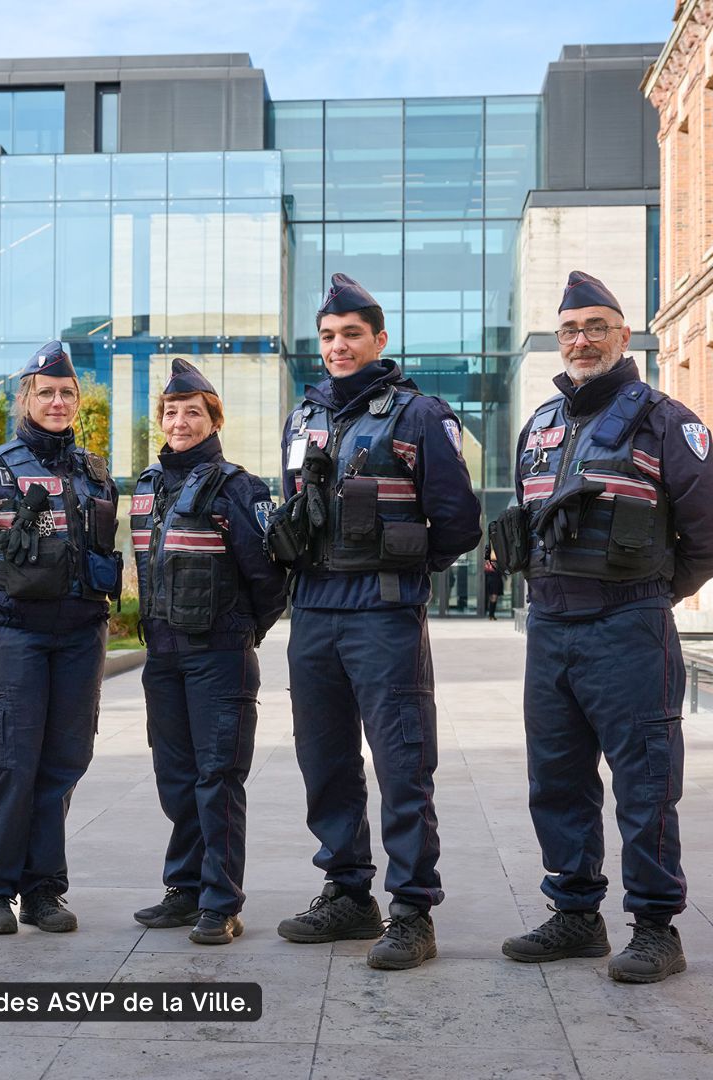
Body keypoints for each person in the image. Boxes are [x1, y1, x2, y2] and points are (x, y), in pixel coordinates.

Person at [490, 271, 713, 983]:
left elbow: (707, 534)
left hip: (628, 624)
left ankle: (656, 929)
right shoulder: (540, 425)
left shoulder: (668, 422)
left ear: (623, 335)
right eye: (569, 330)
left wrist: (652, 594)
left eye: (595, 327)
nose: (581, 340)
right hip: (549, 625)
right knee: (556, 779)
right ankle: (576, 916)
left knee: (645, 782)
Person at [266, 272, 483, 970]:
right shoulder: (302, 417)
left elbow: (459, 522)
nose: (338, 345)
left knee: (401, 762)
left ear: (379, 339)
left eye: (352, 334)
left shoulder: (420, 415)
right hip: (312, 611)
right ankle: (347, 893)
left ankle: (413, 910)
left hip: (382, 613)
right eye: (328, 336)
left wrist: (404, 568)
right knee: (324, 759)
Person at [0, 341, 122, 935]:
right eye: (46, 392)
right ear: (25, 398)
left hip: (81, 636)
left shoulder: (95, 472)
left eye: (67, 393)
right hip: (15, 635)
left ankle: (44, 891)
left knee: (65, 763)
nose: (57, 401)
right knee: (12, 763)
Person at [128, 359, 288, 945]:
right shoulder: (146, 487)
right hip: (162, 655)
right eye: (171, 412)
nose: (180, 421)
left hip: (218, 654)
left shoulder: (239, 488)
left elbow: (269, 580)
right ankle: (185, 888)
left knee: (217, 778)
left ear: (214, 420)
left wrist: (241, 632)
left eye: (192, 412)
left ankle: (221, 903)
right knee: (176, 778)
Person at [483, 547, 504, 619]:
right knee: (493, 597)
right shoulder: (492, 561)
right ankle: (491, 614)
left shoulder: (492, 561)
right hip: (493, 580)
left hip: (493, 580)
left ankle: (491, 614)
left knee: (493, 597)